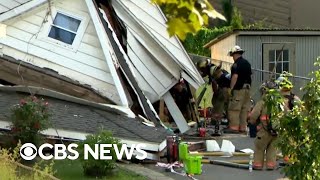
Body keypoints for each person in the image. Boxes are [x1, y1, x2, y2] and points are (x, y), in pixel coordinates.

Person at [196, 59, 231, 135]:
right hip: (226, 88)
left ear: (204, 67)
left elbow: (214, 83)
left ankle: (216, 122)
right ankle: (226, 121)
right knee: (221, 104)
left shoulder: (211, 70)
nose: (202, 71)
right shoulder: (211, 68)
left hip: (224, 88)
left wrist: (216, 93)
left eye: (201, 69)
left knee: (218, 104)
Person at [249, 81, 279, 170]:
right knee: (273, 149)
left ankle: (258, 164)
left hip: (264, 131)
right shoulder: (279, 102)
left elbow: (254, 115)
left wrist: (252, 122)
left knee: (259, 147)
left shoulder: (262, 102)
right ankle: (271, 165)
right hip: (276, 131)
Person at [225, 45, 252, 133]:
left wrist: (231, 88)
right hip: (247, 89)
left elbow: (235, 76)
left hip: (239, 89)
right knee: (244, 109)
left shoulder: (236, 65)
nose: (232, 57)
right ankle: (243, 128)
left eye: (232, 55)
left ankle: (234, 127)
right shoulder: (247, 63)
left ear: (235, 54)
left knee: (234, 109)